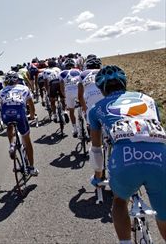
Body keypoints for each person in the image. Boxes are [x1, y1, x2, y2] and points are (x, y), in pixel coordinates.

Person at [88, 65, 166, 242]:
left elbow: (96, 149)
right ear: (124, 83)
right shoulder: (148, 99)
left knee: (119, 201)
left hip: (126, 159)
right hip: (160, 157)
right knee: (164, 214)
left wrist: (98, 177)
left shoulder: (96, 109)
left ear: (102, 89)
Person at [0, 71, 39, 176]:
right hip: (19, 111)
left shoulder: (2, 91)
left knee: (9, 124)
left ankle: (12, 144)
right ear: (17, 79)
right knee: (27, 140)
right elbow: (31, 104)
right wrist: (32, 115)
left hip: (5, 112)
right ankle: (31, 168)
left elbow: (1, 104)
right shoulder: (24, 88)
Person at [78, 56, 103, 183]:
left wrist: (84, 108)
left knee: (95, 139)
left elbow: (80, 96)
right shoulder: (104, 71)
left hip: (90, 103)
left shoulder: (83, 74)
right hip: (105, 101)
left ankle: (98, 174)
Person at [59, 58, 82, 137]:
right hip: (78, 91)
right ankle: (88, 125)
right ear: (74, 65)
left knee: (71, 111)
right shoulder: (78, 71)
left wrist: (65, 95)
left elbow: (61, 87)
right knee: (85, 108)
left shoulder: (62, 73)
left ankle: (75, 129)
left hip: (68, 92)